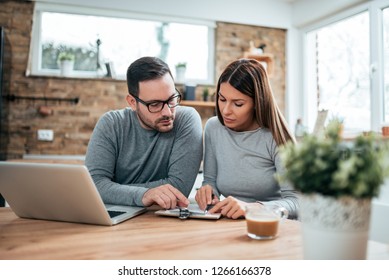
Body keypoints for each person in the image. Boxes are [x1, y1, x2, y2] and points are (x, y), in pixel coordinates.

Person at [85, 56, 203, 209]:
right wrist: (144, 195)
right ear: (133, 103)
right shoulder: (111, 124)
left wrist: (115, 190)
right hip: (115, 217)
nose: (168, 112)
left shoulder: (186, 120)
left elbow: (179, 188)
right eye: (154, 104)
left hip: (161, 220)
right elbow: (94, 186)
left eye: (172, 99)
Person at [195, 58, 299, 219]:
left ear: (257, 103)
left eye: (238, 104)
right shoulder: (213, 128)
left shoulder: (277, 136)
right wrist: (208, 193)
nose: (226, 111)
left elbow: (297, 202)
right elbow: (210, 181)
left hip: (272, 226)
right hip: (232, 225)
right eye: (222, 99)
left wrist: (253, 208)